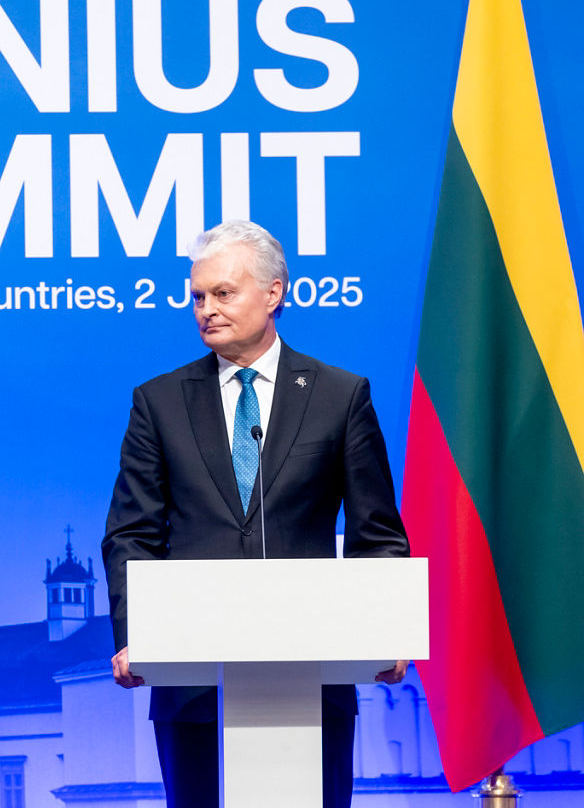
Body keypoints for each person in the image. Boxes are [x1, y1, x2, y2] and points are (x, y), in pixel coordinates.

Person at [100, 220, 410, 808]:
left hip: (310, 679)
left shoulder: (340, 396)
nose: (205, 310)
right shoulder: (159, 402)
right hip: (190, 683)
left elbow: (377, 533)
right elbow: (131, 533)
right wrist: (136, 636)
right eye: (197, 297)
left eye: (223, 293)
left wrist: (384, 631)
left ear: (273, 294)